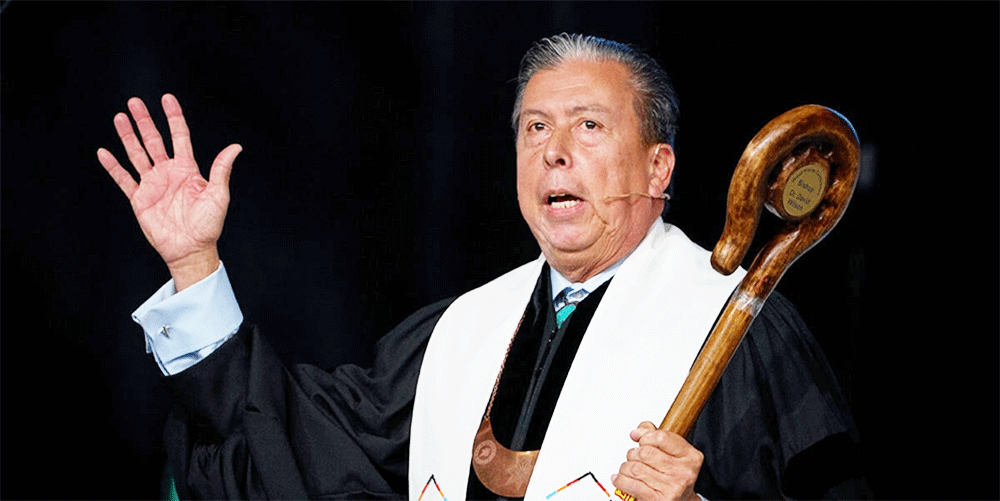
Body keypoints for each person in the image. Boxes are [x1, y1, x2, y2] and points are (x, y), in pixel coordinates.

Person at [98, 34, 867, 500]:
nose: (553, 149)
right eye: (535, 127)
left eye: (588, 125)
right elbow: (288, 440)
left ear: (658, 166)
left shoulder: (734, 326)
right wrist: (196, 263)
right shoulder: (460, 335)